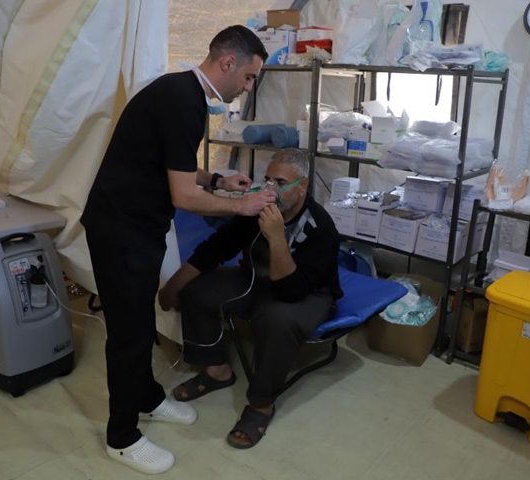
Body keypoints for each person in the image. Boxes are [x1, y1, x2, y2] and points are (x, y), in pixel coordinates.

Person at [81, 25, 275, 475]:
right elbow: (184, 198)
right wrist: (242, 205)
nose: (246, 88)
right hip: (121, 230)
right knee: (128, 334)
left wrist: (219, 180)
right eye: (248, 78)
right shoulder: (181, 100)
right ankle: (122, 437)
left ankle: (147, 398)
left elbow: (175, 167)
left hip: (139, 228)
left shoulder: (183, 94)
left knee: (140, 322)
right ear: (228, 63)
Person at [158, 148, 344, 450]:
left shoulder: (320, 228)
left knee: (276, 319)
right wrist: (174, 286)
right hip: (256, 279)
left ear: (302, 186)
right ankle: (217, 370)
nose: (270, 188)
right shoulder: (257, 209)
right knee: (196, 291)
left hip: (305, 294)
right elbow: (215, 249)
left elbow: (291, 291)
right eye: (267, 179)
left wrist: (277, 237)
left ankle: (261, 405)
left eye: (279, 182)